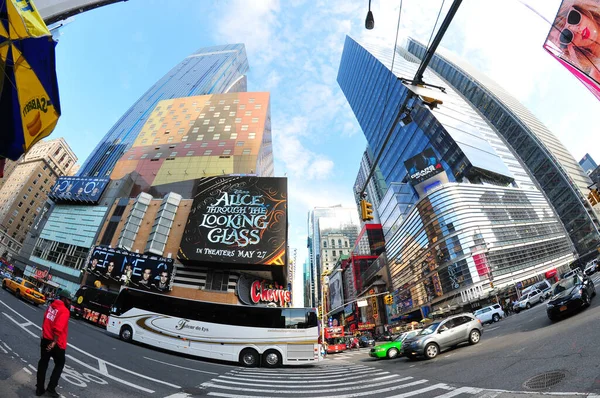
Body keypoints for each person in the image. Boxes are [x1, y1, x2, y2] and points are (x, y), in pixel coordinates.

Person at [549, 0, 600, 82]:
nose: (577, 30)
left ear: (580, 10)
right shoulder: (595, 77)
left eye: (573, 18)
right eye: (566, 35)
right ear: (568, 47)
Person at [36, 289, 72, 397]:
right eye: (69, 300)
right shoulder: (64, 310)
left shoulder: (51, 306)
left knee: (43, 362)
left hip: (45, 338)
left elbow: (45, 318)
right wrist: (54, 342)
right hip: (56, 343)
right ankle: (51, 388)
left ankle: (39, 389)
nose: (70, 302)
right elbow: (58, 328)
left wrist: (43, 331)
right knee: (60, 363)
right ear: (63, 299)